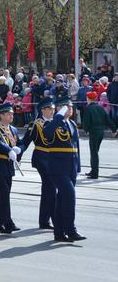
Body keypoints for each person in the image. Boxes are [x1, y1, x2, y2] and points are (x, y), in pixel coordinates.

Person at [43, 97, 85, 242]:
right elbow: (47, 134)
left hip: (71, 167)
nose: (71, 109)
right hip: (57, 167)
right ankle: (71, 230)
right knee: (69, 195)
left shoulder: (72, 123)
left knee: (62, 199)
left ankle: (59, 233)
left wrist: (78, 167)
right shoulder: (52, 123)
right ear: (61, 109)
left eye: (71, 107)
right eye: (67, 107)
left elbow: (75, 146)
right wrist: (58, 116)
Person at [21, 98, 55, 229]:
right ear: (43, 110)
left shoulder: (55, 123)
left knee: (49, 190)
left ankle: (45, 220)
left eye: (53, 109)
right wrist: (17, 153)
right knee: (50, 188)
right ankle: (48, 220)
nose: (52, 111)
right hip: (41, 158)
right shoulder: (36, 124)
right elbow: (26, 141)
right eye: (49, 109)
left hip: (54, 160)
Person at [0, 103, 23, 233]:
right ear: (1, 115)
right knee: (4, 194)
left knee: (2, 195)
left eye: (12, 114)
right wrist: (9, 150)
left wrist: (19, 149)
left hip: (9, 166)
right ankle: (7, 222)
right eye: (9, 114)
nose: (11, 116)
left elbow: (20, 143)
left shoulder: (13, 129)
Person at [81, 90, 116, 179]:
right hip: (101, 132)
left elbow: (86, 121)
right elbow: (107, 119)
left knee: (94, 153)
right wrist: (114, 129)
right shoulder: (100, 107)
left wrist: (86, 130)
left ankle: (94, 173)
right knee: (95, 152)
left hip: (94, 132)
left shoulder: (88, 108)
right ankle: (93, 170)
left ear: (88, 98)